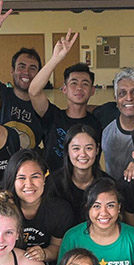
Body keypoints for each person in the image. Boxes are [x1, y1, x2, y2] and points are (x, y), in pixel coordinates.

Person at [28, 30, 103, 171]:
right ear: (64, 89)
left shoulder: (97, 123)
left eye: (85, 84)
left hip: (85, 185)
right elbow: (34, 91)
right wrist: (56, 59)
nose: (79, 88)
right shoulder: (53, 116)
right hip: (53, 185)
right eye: (73, 83)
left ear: (92, 91)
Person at [58, 178, 134, 265]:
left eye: (110, 205)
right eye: (96, 206)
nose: (103, 212)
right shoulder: (73, 238)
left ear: (119, 208)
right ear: (88, 208)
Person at [0, 0, 44, 149]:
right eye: (21, 66)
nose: (26, 72)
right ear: (12, 71)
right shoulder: (0, 94)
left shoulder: (43, 106)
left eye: (33, 68)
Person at [0, 149, 73, 264]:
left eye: (35, 176)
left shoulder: (60, 210)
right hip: (5, 264)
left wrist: (45, 253)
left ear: (44, 178)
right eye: (21, 178)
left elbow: (57, 246)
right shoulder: (0, 208)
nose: (29, 184)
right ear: (12, 180)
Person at [45, 124, 111, 224]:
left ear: (97, 149)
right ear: (67, 150)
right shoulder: (53, 183)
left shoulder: (108, 184)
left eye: (89, 148)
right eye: (76, 148)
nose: (83, 154)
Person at [102, 68, 134, 181]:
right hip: (112, 192)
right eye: (122, 93)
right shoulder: (105, 118)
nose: (129, 98)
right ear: (116, 99)